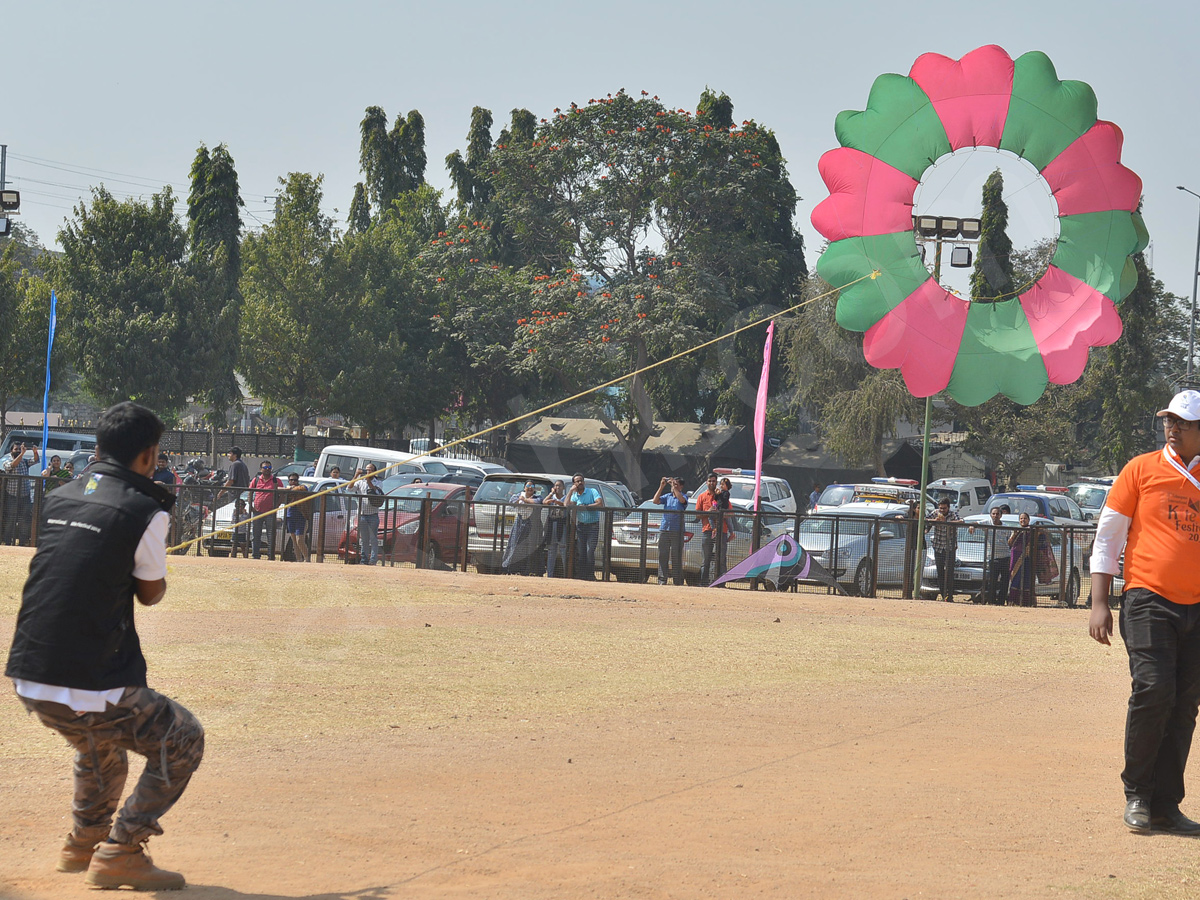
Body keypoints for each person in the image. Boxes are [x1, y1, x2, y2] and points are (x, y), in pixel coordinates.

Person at [5, 401, 203, 890]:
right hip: (88, 679)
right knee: (183, 740)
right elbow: (151, 593)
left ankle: (82, 843)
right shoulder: (145, 509)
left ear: (98, 447)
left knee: (100, 742)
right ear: (149, 455)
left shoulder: (61, 497)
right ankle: (121, 850)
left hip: (28, 673)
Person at [1089, 389, 1200, 835]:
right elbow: (1107, 538)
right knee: (1154, 690)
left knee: (1184, 704)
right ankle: (1136, 793)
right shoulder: (1141, 469)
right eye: (1169, 420)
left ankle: (1165, 806)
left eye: (1184, 423)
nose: (1173, 428)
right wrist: (1099, 602)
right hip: (1148, 597)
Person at [969, 504, 1011, 605]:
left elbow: (1009, 541)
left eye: (997, 514)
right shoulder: (987, 523)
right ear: (990, 515)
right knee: (992, 581)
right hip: (993, 558)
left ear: (1001, 515)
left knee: (1004, 582)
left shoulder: (1006, 527)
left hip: (1005, 557)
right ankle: (991, 601)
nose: (995, 516)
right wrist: (972, 526)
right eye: (993, 514)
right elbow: (976, 523)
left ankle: (1001, 602)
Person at [567, 473, 604, 580]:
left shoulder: (592, 491)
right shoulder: (575, 495)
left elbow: (599, 503)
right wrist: (570, 491)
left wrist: (586, 507)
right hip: (581, 527)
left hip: (593, 527)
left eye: (581, 480)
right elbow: (567, 505)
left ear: (584, 482)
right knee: (581, 552)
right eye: (577, 481)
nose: (579, 483)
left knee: (589, 551)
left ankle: (590, 575)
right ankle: (581, 575)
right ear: (574, 484)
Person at [696, 473, 730, 586]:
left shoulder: (722, 495)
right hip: (707, 531)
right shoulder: (701, 497)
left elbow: (731, 514)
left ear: (717, 482)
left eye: (714, 481)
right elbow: (697, 515)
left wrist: (720, 513)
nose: (712, 483)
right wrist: (708, 512)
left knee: (721, 558)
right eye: (710, 481)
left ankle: (721, 583)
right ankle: (704, 582)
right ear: (706, 482)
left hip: (722, 531)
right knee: (706, 559)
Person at [2, 438, 39, 545]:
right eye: (16, 449)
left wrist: (35, 452)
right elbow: (12, 465)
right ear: (11, 451)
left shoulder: (24, 461)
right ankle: (8, 542)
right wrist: (21, 454)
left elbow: (35, 460)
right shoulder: (7, 461)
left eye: (20, 449)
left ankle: (22, 542)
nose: (18, 450)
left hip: (25, 495)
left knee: (24, 520)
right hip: (12, 495)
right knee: (11, 519)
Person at [653, 476, 688, 586]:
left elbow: (682, 500)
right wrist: (661, 486)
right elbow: (655, 501)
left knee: (676, 556)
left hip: (677, 531)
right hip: (665, 529)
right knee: (663, 555)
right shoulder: (667, 496)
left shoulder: (683, 497)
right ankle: (662, 580)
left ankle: (677, 581)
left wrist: (675, 488)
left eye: (677, 485)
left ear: (681, 487)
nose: (673, 487)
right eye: (673, 484)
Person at [502, 482, 542, 575]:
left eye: (532, 486)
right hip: (519, 523)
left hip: (532, 524)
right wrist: (522, 500)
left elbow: (537, 502)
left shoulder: (537, 497)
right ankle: (508, 569)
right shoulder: (517, 495)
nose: (530, 488)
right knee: (514, 545)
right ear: (524, 488)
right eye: (528, 486)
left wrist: (524, 500)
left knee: (530, 547)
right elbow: (512, 502)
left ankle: (528, 571)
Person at [927, 498, 962, 601]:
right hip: (938, 547)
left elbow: (961, 520)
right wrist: (935, 521)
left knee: (950, 572)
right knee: (940, 572)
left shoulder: (952, 514)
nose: (942, 510)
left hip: (950, 547)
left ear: (948, 507)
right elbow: (925, 519)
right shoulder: (935, 513)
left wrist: (948, 522)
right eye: (940, 508)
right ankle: (943, 595)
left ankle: (950, 595)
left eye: (944, 508)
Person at [1006, 511, 1043, 606]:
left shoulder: (1032, 530)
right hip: (1016, 556)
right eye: (1021, 518)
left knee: (1027, 579)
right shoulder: (1016, 530)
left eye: (1025, 518)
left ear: (1028, 520)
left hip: (1028, 558)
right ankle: (1012, 601)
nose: (1023, 520)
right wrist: (1014, 534)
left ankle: (1026, 602)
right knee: (1016, 578)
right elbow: (1010, 543)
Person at [248, 461, 283, 560]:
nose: (267, 469)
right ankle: (255, 556)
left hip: (270, 513)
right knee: (256, 535)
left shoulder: (276, 481)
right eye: (265, 467)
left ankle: (270, 556)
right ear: (261, 469)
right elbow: (250, 493)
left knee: (271, 535)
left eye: (269, 467)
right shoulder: (255, 480)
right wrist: (250, 505)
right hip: (257, 511)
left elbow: (282, 494)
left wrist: (276, 506)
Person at [352, 464, 384, 565]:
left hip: (373, 514)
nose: (368, 472)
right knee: (364, 539)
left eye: (370, 470)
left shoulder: (378, 482)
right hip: (362, 514)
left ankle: (373, 560)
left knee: (373, 539)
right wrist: (356, 475)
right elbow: (349, 488)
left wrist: (368, 480)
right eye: (367, 470)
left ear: (374, 471)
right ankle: (364, 560)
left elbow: (376, 492)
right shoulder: (360, 481)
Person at [542, 479, 569, 578]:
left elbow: (565, 504)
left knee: (563, 549)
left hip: (561, 524)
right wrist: (551, 495)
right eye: (556, 486)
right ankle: (550, 574)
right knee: (551, 550)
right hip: (551, 524)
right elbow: (544, 502)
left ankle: (566, 574)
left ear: (563, 488)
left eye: (559, 486)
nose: (558, 488)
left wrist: (557, 502)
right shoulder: (551, 497)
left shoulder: (565, 497)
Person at [283, 472, 311, 562]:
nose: (293, 481)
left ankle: (307, 559)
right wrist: (288, 489)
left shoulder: (301, 488)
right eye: (291, 480)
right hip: (290, 516)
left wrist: (292, 489)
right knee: (294, 540)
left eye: (295, 480)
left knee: (300, 540)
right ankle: (299, 559)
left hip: (301, 517)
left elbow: (304, 489)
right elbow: (277, 488)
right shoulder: (287, 490)